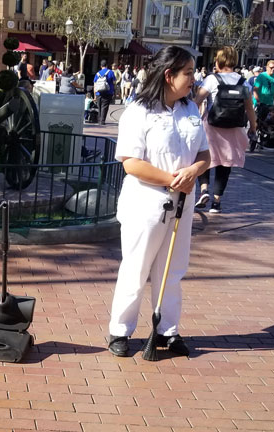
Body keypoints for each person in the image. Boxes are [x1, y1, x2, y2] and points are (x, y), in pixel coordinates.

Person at [107, 45, 211, 358]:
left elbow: (204, 153)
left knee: (173, 269)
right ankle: (120, 330)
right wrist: (171, 180)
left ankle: (167, 329)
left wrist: (194, 169)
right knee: (137, 268)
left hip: (183, 201)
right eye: (188, 73)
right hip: (147, 202)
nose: (194, 79)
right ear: (169, 75)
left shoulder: (190, 109)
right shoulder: (139, 111)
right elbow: (130, 163)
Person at [194, 46, 257, 214]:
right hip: (233, 128)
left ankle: (204, 190)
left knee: (205, 156)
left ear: (218, 60)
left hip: (211, 126)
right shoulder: (243, 82)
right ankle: (216, 202)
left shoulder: (212, 80)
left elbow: (197, 101)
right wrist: (253, 127)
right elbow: (249, 108)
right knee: (225, 164)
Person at [93, 59, 116, 125]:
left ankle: (99, 119)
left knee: (99, 106)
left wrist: (95, 95)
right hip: (108, 92)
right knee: (105, 106)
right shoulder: (111, 72)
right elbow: (114, 82)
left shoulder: (97, 74)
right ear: (107, 65)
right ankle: (102, 120)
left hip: (98, 93)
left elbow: (95, 85)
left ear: (101, 66)